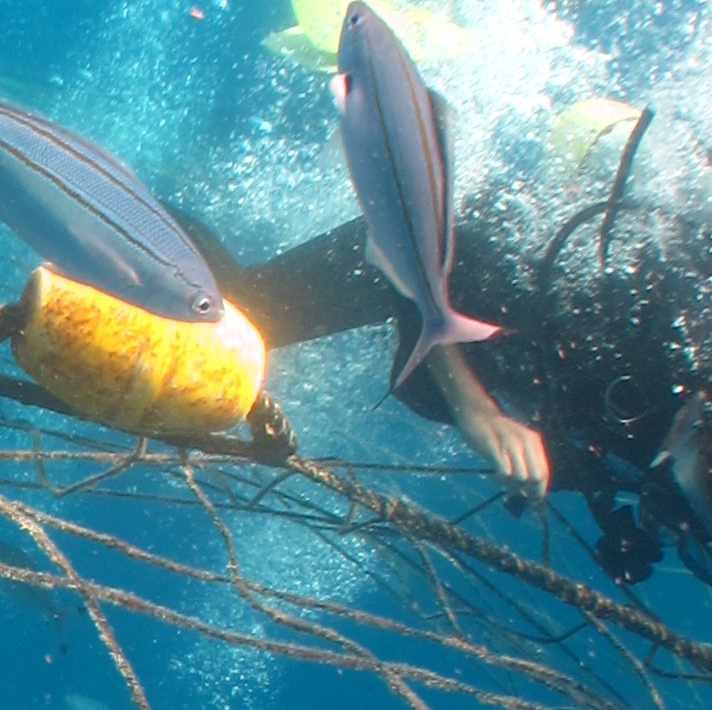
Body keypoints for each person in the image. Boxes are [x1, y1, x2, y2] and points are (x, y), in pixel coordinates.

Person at [205, 154, 712, 588]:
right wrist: (477, 411)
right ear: (700, 419)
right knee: (228, 312)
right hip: (431, 251)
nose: (668, 529)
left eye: (692, 545)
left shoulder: (658, 458)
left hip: (463, 317)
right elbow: (423, 246)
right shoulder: (642, 327)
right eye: (676, 512)